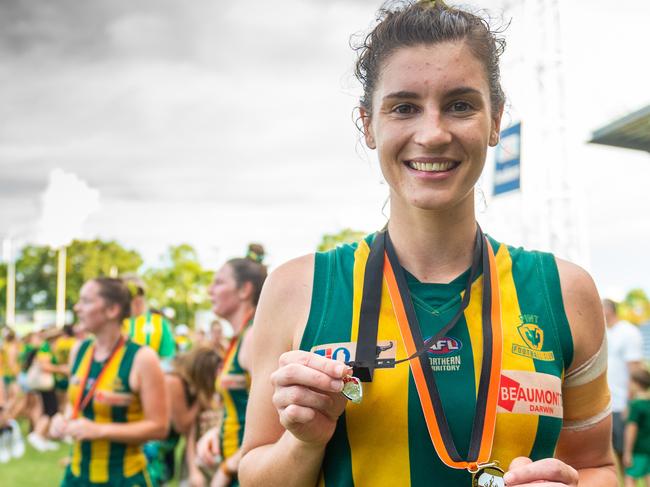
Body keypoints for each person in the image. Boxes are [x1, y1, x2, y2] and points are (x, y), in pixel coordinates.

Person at [238, 2, 615, 486]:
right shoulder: (298, 289)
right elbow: (255, 476)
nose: (433, 134)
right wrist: (305, 439)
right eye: (404, 107)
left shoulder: (564, 291)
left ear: (495, 120)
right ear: (368, 124)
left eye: (460, 104)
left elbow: (598, 466)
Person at [50, 277, 168, 486]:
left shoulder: (142, 358)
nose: (77, 308)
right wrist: (62, 420)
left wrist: (100, 430)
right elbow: (75, 404)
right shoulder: (79, 350)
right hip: (76, 475)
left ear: (112, 310)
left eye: (86, 301)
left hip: (123, 478)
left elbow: (159, 427)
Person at [196, 244, 267, 487]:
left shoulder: (253, 336)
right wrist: (217, 433)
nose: (209, 290)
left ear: (244, 290)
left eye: (218, 283)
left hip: (248, 474)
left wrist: (227, 469)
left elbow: (276, 423)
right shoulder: (239, 338)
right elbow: (246, 408)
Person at [147, 346, 221, 486]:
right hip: (153, 451)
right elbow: (183, 424)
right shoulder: (174, 381)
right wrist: (200, 398)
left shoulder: (184, 381)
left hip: (166, 448)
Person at [604, 298, 644, 469]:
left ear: (609, 309)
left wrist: (630, 401)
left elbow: (634, 370)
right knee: (609, 456)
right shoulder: (602, 331)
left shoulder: (628, 332)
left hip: (622, 403)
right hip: (605, 405)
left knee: (626, 454)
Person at [122, 276, 176, 370]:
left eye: (140, 292)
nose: (137, 297)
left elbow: (168, 359)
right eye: (131, 293)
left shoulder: (159, 323)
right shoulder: (111, 322)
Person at [623, 368, 650, 486]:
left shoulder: (636, 405)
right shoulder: (647, 403)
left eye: (630, 381)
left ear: (636, 383)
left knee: (630, 477)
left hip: (637, 450)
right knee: (647, 475)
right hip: (648, 448)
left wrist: (628, 452)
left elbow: (631, 430)